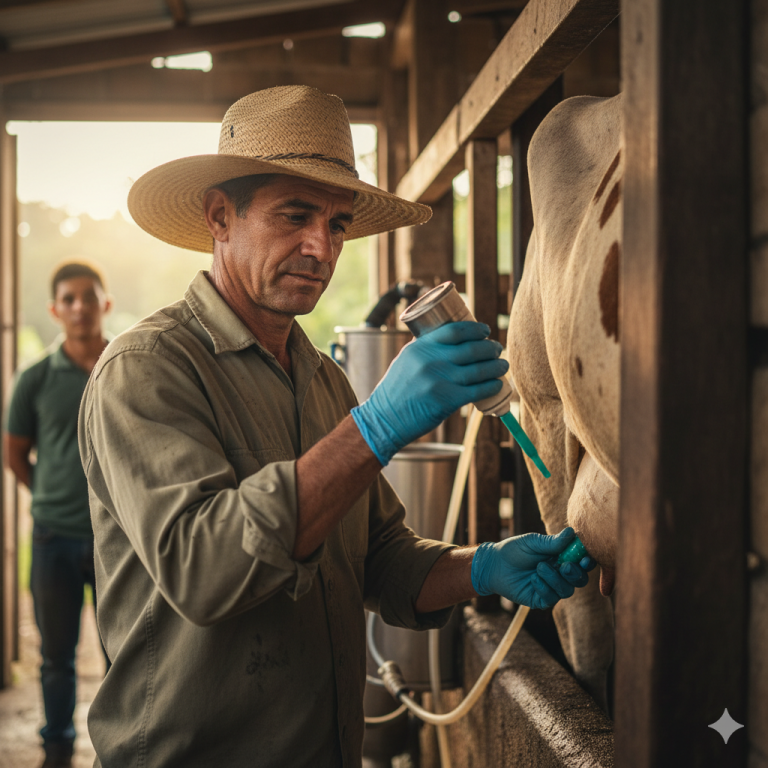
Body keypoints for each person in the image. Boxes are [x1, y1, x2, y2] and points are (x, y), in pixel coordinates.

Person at [78, 86, 595, 768]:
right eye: (294, 215)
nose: (321, 247)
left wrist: (485, 568)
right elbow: (202, 571)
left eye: (339, 223)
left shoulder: (323, 381)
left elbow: (380, 561)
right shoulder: (146, 370)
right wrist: (376, 425)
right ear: (218, 217)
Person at [4, 260, 112, 768]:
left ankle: (126, 746)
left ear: (104, 303)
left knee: (127, 653)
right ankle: (56, 750)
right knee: (56, 659)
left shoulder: (127, 365)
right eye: (68, 299)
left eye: (88, 297)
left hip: (118, 539)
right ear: (55, 309)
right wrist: (50, 494)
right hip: (53, 539)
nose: (79, 308)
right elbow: (14, 452)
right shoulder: (35, 379)